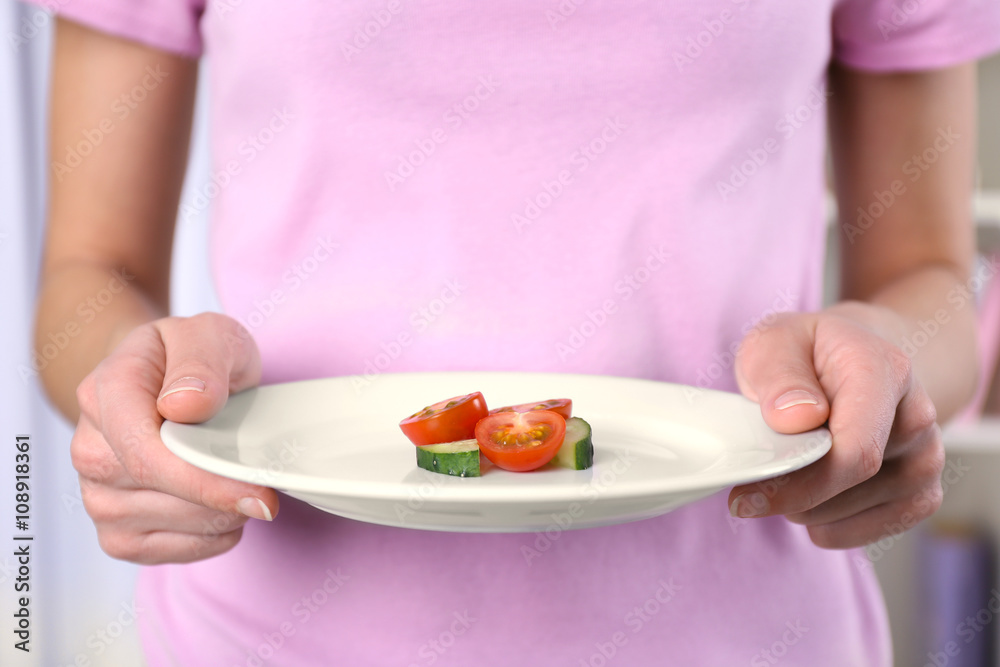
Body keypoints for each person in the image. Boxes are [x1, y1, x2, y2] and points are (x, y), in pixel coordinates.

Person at [30, 0, 1000, 664]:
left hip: (739, 632)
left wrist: (887, 360)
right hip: (272, 634)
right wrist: (139, 392)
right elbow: (89, 277)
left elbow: (926, 276)